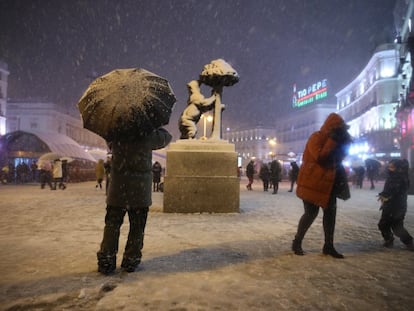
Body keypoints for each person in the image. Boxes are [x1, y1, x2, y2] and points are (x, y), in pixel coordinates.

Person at [97, 128, 172, 274]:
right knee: (137, 227)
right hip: (140, 189)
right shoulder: (148, 132)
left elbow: (109, 141)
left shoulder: (117, 131)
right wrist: (154, 126)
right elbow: (166, 138)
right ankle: (131, 259)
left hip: (118, 187)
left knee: (112, 224)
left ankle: (106, 259)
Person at [292, 113, 352, 258]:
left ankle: (329, 246)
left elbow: (337, 160)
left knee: (330, 215)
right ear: (330, 127)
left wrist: (343, 144)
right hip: (312, 183)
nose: (338, 131)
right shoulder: (316, 137)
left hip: (329, 184)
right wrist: (333, 140)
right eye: (336, 128)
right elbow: (320, 157)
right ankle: (297, 242)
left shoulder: (337, 141)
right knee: (311, 213)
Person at [377, 159, 413, 250]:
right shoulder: (393, 176)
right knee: (386, 225)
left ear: (398, 168)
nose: (389, 168)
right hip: (391, 206)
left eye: (392, 167)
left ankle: (408, 241)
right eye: (389, 166)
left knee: (395, 226)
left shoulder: (399, 178)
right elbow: (389, 189)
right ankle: (390, 239)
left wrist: (386, 195)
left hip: (396, 207)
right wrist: (384, 195)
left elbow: (394, 190)